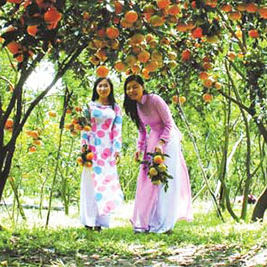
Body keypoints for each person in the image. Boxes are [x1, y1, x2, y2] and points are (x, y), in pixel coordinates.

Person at [124, 75, 193, 233]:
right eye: (128, 88)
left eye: (135, 86)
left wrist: (162, 143)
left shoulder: (155, 100)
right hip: (153, 137)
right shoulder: (135, 106)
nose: (131, 91)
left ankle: (165, 222)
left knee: (164, 178)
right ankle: (149, 220)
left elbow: (169, 123)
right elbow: (142, 131)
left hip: (169, 138)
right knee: (150, 178)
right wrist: (139, 148)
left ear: (142, 86)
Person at [80, 77, 124, 230]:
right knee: (90, 184)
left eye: (106, 86)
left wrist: (117, 150)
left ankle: (101, 222)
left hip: (108, 150)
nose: (103, 88)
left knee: (106, 184)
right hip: (92, 148)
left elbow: (117, 129)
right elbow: (84, 128)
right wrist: (84, 147)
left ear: (110, 88)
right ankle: (89, 220)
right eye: (100, 85)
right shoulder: (89, 106)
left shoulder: (115, 108)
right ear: (96, 88)